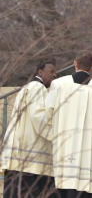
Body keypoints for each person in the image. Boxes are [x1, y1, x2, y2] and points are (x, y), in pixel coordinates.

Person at [45, 51, 92, 197]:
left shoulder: (58, 84)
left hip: (63, 141)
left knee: (62, 180)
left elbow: (48, 112)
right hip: (87, 143)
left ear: (75, 63)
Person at [1, 60, 57, 198]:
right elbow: (38, 117)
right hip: (29, 156)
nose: (55, 75)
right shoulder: (37, 88)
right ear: (40, 72)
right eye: (51, 72)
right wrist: (56, 136)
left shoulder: (28, 88)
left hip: (20, 154)